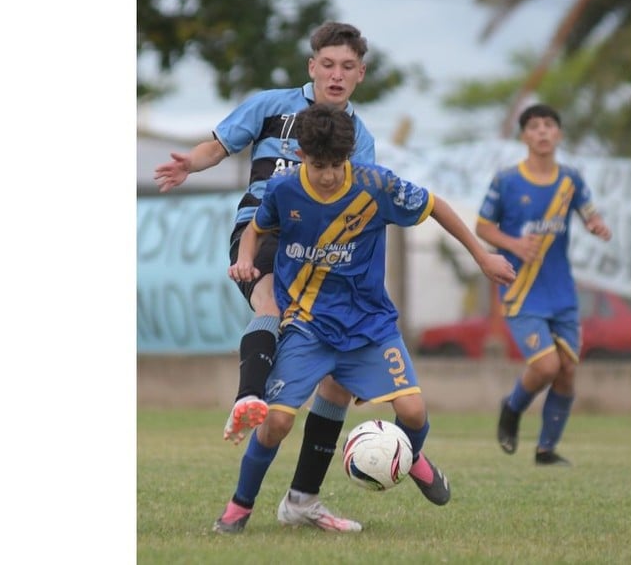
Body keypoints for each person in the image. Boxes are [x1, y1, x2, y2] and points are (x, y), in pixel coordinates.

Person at [213, 103, 517, 533]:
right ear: (302, 156)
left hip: (369, 325)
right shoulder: (283, 190)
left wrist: (482, 255)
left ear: (350, 156)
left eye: (338, 165)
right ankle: (240, 507)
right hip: (306, 324)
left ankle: (408, 455)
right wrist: (245, 258)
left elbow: (436, 206)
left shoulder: (376, 186)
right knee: (277, 420)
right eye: (319, 165)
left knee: (413, 412)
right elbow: (257, 228)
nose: (330, 175)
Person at [152, 23, 371, 497]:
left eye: (347, 67)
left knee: (335, 378)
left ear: (360, 74)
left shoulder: (361, 137)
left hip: (323, 251)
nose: (336, 75)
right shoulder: (272, 106)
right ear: (312, 66)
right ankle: (247, 397)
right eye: (327, 65)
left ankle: (303, 500)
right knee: (267, 300)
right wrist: (191, 162)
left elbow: (364, 207)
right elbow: (220, 143)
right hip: (263, 231)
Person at [475, 104, 612, 467]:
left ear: (559, 135)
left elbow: (589, 211)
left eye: (549, 125)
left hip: (562, 292)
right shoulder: (506, 180)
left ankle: (546, 450)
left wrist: (597, 224)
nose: (542, 132)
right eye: (534, 126)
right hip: (521, 291)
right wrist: (515, 245)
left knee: (567, 369)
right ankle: (513, 407)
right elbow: (483, 228)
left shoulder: (571, 179)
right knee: (547, 366)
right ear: (524, 137)